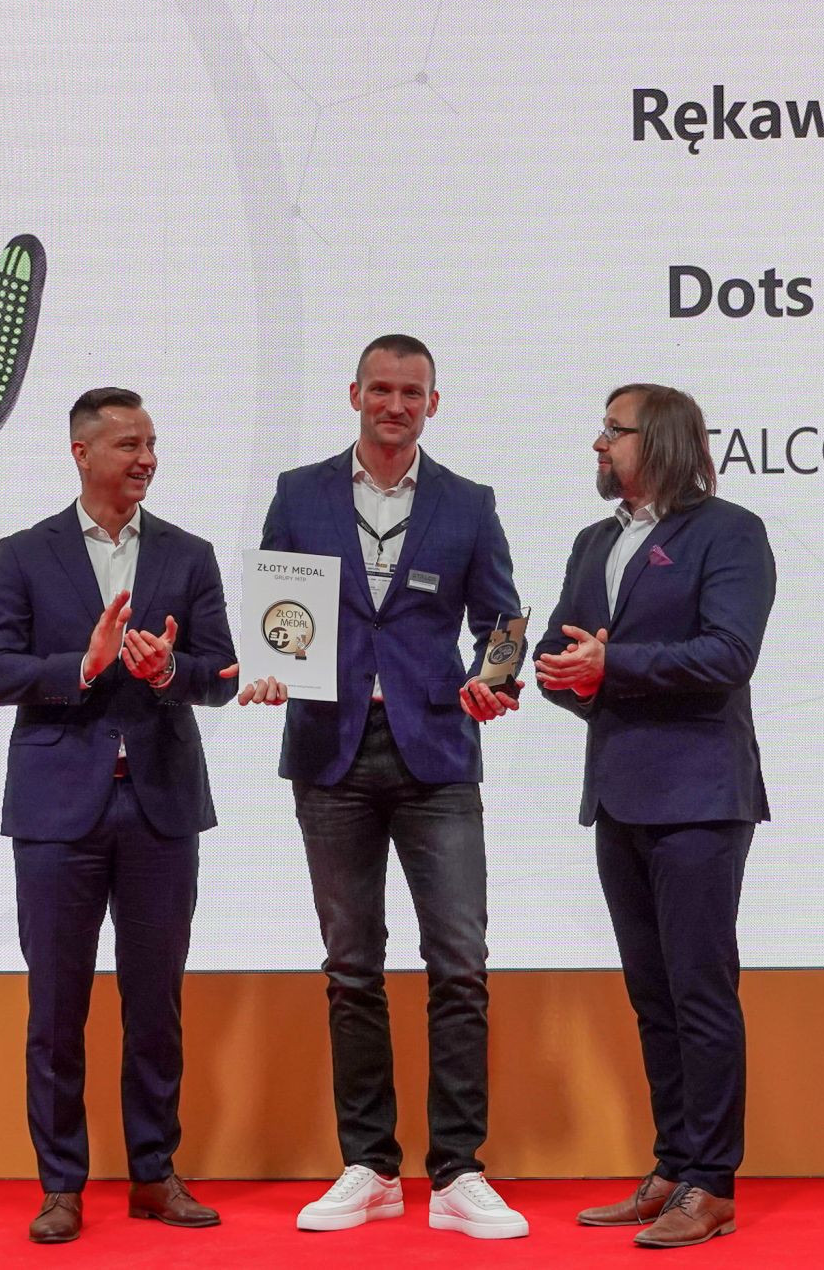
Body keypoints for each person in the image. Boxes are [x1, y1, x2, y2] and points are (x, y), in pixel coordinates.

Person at [237, 334, 529, 1239]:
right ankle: (368, 1166)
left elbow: (502, 619)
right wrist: (271, 666)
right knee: (351, 967)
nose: (394, 405)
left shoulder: (468, 503)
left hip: (436, 752)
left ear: (432, 404)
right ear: (354, 394)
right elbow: (278, 612)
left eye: (411, 392)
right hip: (329, 752)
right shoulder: (299, 493)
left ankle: (458, 1173)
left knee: (460, 964)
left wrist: (496, 677)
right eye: (380, 389)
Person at [0, 387, 238, 1245]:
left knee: (155, 1003)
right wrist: (80, 666)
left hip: (160, 804)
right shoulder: (24, 554)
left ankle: (155, 1173)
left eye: (151, 443)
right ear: (81, 452)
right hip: (57, 811)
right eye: (128, 444)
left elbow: (222, 672)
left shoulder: (189, 555)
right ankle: (61, 1185)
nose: (146, 459)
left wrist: (168, 673)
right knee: (56, 1008)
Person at [533, 383, 775, 1249]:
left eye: (615, 430)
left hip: (701, 797)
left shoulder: (729, 532)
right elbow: (560, 651)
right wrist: (563, 676)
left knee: (700, 991)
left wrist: (614, 666)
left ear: (663, 440)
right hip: (619, 794)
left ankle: (712, 1184)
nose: (599, 444)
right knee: (653, 996)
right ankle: (673, 1166)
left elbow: (729, 654)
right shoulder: (594, 541)